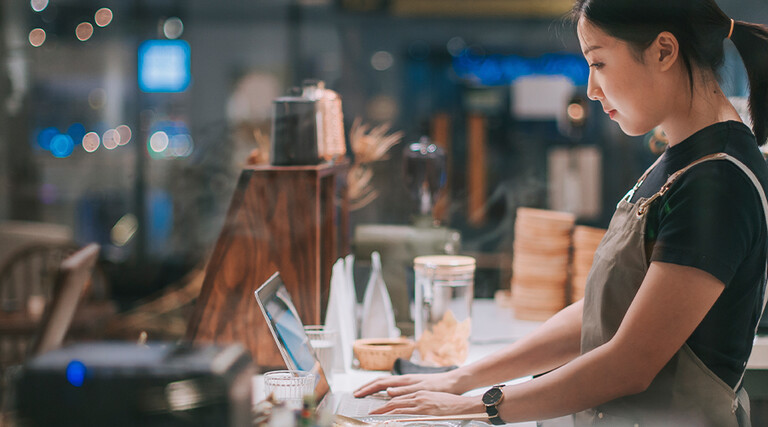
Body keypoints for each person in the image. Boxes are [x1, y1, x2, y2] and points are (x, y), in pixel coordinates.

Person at [354, 1, 768, 425]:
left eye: (599, 62)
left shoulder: (718, 182)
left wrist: (475, 405)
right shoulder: (683, 161)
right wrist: (461, 378)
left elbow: (631, 363)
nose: (590, 88)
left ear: (664, 51)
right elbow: (603, 312)